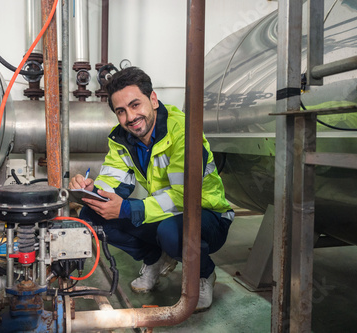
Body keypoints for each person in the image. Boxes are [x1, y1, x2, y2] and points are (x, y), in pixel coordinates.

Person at [69, 67, 234, 311]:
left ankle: (203, 273)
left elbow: (183, 197)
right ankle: (155, 259)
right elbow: (114, 181)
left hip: (207, 216)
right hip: (163, 211)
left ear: (153, 100)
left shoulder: (184, 132)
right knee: (92, 216)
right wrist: (94, 189)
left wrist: (127, 209)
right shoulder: (122, 140)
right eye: (121, 111)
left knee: (171, 233)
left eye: (135, 105)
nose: (130, 117)